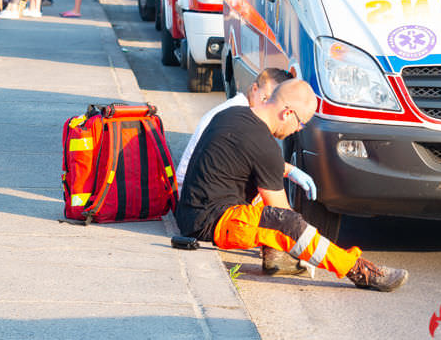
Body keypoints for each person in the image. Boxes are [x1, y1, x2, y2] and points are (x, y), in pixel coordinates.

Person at [175, 79, 409, 292]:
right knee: (288, 222)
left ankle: (275, 256)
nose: (298, 129)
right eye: (301, 123)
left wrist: (287, 169)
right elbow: (281, 213)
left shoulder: (234, 114)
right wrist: (305, 243)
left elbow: (246, 157)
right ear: (287, 113)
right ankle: (358, 270)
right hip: (211, 224)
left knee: (269, 187)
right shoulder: (264, 145)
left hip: (191, 211)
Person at [176, 68, 294, 188]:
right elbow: (263, 165)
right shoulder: (242, 120)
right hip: (194, 188)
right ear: (255, 89)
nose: (269, 105)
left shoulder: (239, 109)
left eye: (275, 101)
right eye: (266, 98)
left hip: (194, 186)